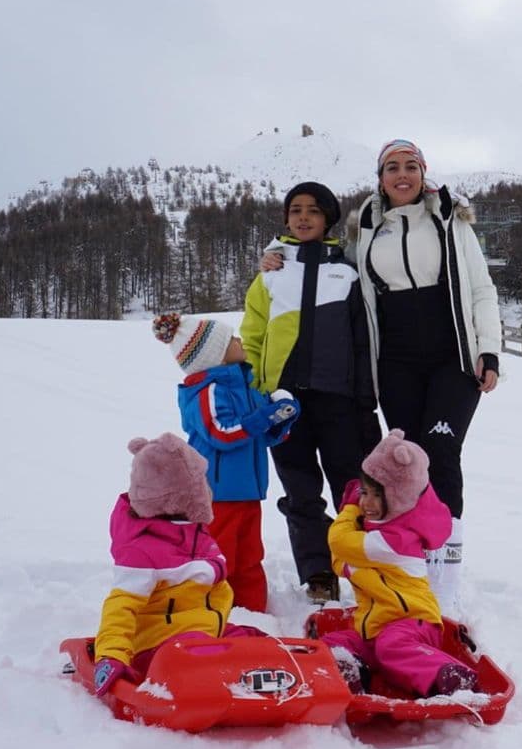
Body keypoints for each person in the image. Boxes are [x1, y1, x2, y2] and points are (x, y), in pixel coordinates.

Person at [260, 139, 502, 615]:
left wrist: (488, 350)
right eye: (392, 167)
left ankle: (443, 578)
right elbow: (316, 252)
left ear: (424, 173)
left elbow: (481, 288)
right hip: (395, 363)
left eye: (411, 166)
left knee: (441, 450)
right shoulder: (366, 227)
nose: (402, 175)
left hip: (452, 355)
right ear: (381, 177)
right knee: (406, 461)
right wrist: (273, 252)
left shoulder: (452, 220)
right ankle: (406, 565)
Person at [240, 181, 381, 604]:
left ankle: (358, 565)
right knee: (300, 491)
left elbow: (362, 341)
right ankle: (318, 571)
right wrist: (255, 391)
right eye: (296, 210)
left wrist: (364, 398)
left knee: (350, 489)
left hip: (339, 400)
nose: (303, 217)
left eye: (314, 210)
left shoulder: (348, 272)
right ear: (285, 218)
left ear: (328, 219)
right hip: (285, 406)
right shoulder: (270, 275)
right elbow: (252, 336)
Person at [92, 432, 263, 697]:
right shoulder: (142, 550)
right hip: (158, 648)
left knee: (259, 644)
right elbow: (120, 608)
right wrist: (112, 654)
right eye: (200, 487)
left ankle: (283, 681)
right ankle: (224, 686)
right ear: (183, 496)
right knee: (220, 655)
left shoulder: (196, 535)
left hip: (204, 635)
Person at [152, 312, 300, 612]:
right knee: (221, 557)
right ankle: (212, 613)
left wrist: (281, 419)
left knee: (249, 557)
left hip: (247, 491)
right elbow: (222, 433)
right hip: (217, 495)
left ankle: (254, 615)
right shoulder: (208, 390)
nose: (239, 340)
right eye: (231, 339)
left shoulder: (242, 387)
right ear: (214, 354)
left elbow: (259, 436)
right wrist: (264, 417)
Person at [320, 429, 479, 697]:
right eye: (364, 492)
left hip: (413, 624)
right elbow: (340, 561)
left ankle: (448, 676)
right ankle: (352, 672)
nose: (365, 503)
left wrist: (349, 509)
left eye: (375, 495)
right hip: (376, 628)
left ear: (397, 497)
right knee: (334, 643)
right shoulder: (376, 529)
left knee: (392, 647)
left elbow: (338, 543)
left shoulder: (395, 539)